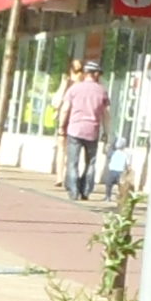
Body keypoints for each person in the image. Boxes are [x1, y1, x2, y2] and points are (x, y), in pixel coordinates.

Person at [57, 58, 111, 200]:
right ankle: (86, 190)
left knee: (72, 161)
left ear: (86, 73)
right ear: (95, 74)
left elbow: (65, 109)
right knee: (91, 162)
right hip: (92, 130)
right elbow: (106, 114)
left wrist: (61, 126)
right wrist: (106, 132)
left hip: (74, 129)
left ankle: (73, 191)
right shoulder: (102, 91)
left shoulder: (74, 89)